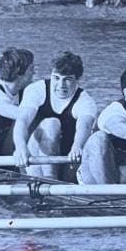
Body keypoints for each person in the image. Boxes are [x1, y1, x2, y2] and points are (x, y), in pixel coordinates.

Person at [13, 51, 97, 182]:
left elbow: (84, 126)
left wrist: (77, 146)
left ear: (78, 79)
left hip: (66, 159)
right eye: (56, 78)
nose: (61, 85)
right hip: (34, 160)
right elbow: (22, 121)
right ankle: (49, 180)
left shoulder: (86, 101)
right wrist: (20, 147)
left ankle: (52, 183)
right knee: (52, 123)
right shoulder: (37, 89)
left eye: (67, 79)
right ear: (50, 75)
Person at [78, 65, 126, 185]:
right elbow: (120, 127)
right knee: (98, 138)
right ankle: (108, 195)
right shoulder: (114, 111)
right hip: (96, 177)